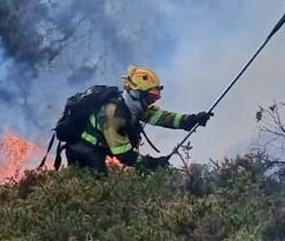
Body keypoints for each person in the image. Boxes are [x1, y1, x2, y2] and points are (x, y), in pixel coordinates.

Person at [62, 65, 212, 172]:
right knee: (96, 192)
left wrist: (191, 120)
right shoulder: (113, 114)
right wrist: (152, 163)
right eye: (151, 97)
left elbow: (161, 118)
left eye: (155, 97)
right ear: (136, 93)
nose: (153, 101)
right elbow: (123, 154)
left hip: (100, 149)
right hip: (83, 151)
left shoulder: (134, 106)